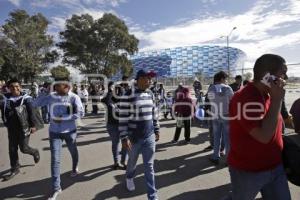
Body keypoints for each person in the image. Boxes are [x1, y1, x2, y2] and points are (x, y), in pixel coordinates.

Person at [228, 54, 291, 200]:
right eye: (283, 73)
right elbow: (263, 136)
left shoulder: (267, 94)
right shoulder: (245, 98)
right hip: (249, 171)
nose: (285, 78)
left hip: (275, 167)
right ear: (268, 76)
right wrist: (277, 100)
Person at [32, 79, 84, 200]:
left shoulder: (74, 97)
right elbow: (35, 104)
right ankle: (56, 188)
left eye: (63, 86)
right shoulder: (51, 96)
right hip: (54, 132)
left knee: (73, 151)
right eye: (56, 87)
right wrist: (43, 92)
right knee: (55, 159)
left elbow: (81, 113)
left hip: (70, 132)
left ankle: (75, 167)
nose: (58, 89)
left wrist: (64, 118)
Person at [119, 69, 160, 200]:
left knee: (149, 166)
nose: (151, 81)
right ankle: (129, 177)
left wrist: (157, 128)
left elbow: (154, 113)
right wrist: (124, 137)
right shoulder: (128, 95)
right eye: (149, 78)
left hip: (149, 136)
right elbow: (123, 118)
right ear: (140, 79)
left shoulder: (150, 94)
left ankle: (152, 196)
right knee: (132, 163)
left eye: (151, 78)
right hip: (133, 138)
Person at [0, 78, 40, 180]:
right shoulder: (4, 99)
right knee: (12, 149)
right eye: (12, 87)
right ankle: (15, 168)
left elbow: (32, 113)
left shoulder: (27, 99)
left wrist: (34, 125)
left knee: (24, 148)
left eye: (17, 86)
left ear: (20, 87)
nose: (15, 89)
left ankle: (35, 152)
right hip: (11, 128)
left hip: (24, 127)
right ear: (9, 88)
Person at [207, 71, 233, 164]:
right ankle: (228, 159)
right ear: (222, 79)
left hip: (215, 115)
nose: (226, 80)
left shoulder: (211, 88)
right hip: (226, 115)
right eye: (225, 78)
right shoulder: (228, 88)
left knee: (216, 136)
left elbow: (210, 100)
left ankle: (215, 156)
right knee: (227, 138)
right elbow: (232, 100)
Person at [101, 81, 127, 170]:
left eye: (117, 89)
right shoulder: (109, 98)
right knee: (115, 143)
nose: (116, 90)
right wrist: (110, 91)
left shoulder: (124, 98)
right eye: (114, 89)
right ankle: (116, 162)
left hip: (123, 124)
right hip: (112, 125)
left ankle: (123, 161)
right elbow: (105, 101)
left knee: (125, 143)